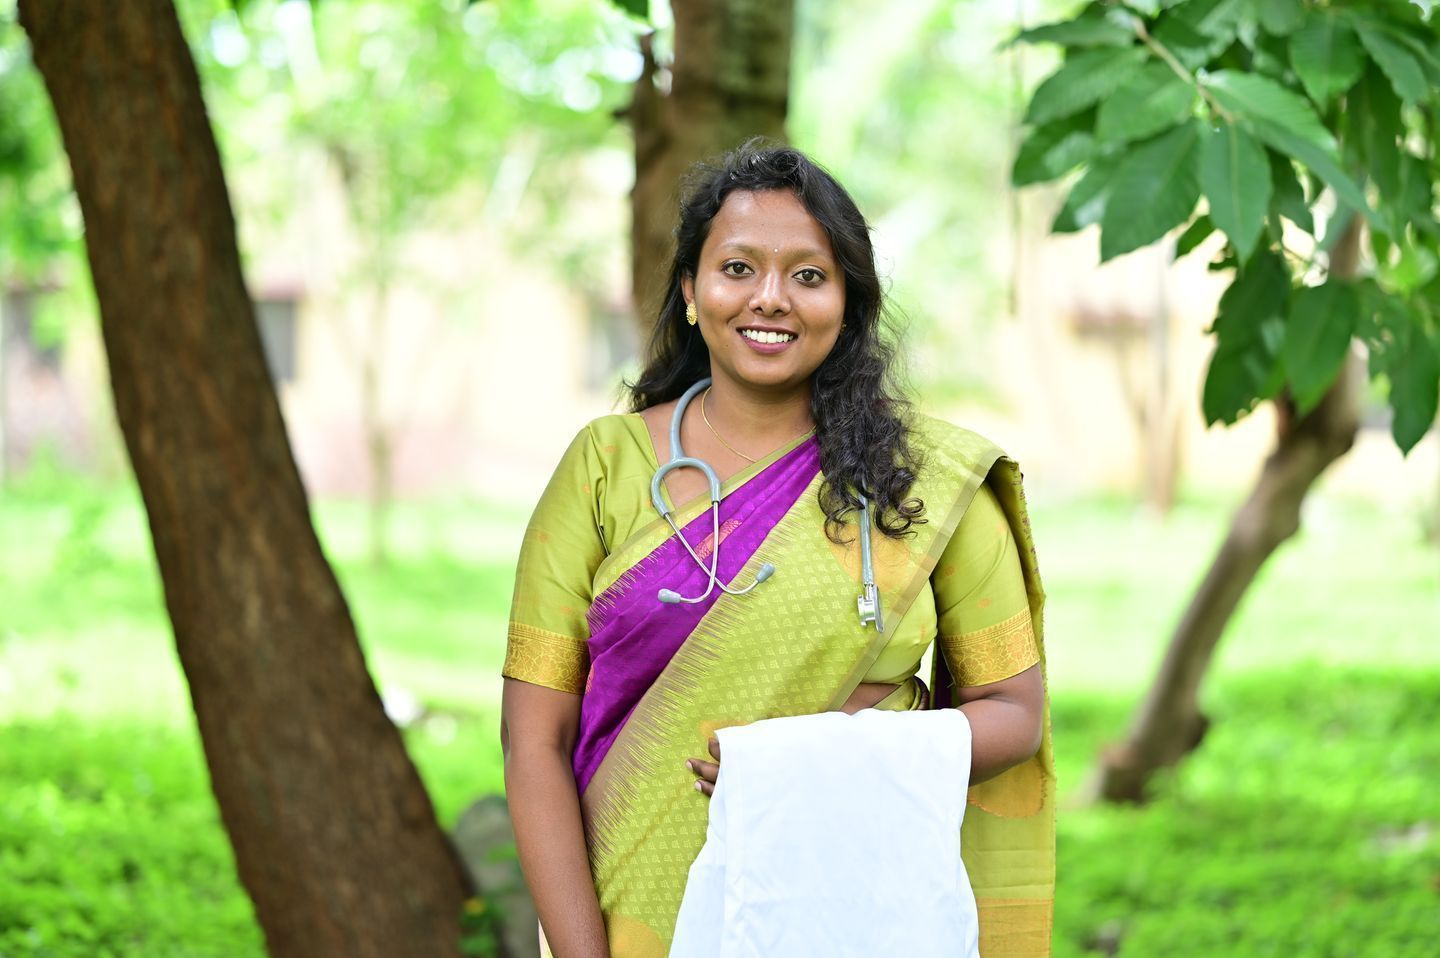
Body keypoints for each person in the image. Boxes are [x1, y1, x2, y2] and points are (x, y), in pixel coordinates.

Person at [498, 140, 1053, 958]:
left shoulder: (929, 483)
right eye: (738, 269)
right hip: (629, 912)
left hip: (858, 909)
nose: (771, 299)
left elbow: (1016, 713)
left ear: (848, 302)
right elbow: (532, 738)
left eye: (808, 275)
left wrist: (813, 765)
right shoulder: (603, 467)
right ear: (690, 290)